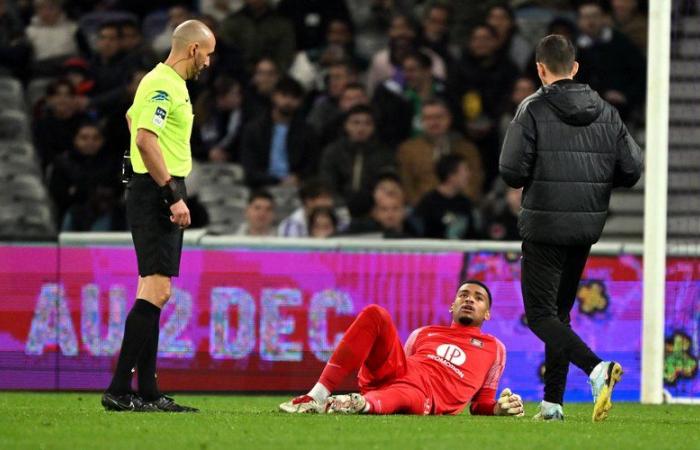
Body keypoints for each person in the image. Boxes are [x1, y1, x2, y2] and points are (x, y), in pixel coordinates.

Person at [499, 35, 642, 422]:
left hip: (545, 225)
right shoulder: (607, 112)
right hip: (584, 226)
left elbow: (511, 171)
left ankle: (596, 369)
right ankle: (552, 404)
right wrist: (590, 181)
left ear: (540, 69)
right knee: (558, 316)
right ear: (575, 68)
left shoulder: (531, 108)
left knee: (541, 315)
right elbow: (631, 170)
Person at [101, 19, 217, 413]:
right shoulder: (165, 83)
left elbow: (134, 119)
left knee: (151, 290)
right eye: (208, 52)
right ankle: (119, 389)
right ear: (193, 50)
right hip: (157, 191)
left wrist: (137, 169)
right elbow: (145, 137)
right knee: (158, 290)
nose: (209, 61)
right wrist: (170, 193)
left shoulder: (162, 82)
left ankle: (146, 392)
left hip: (151, 185)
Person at [279, 281, 525, 417]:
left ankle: (360, 404)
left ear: (488, 313)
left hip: (426, 396)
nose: (469, 299)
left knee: (405, 393)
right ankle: (317, 396)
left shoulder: (495, 348)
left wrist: (498, 409)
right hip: (400, 375)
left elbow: (480, 405)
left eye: (478, 297)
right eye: (463, 295)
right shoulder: (423, 333)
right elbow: (403, 367)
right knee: (375, 313)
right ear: (452, 305)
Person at [398, 99, 483, 206]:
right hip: (422, 210)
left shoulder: (467, 149)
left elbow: (475, 182)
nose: (434, 122)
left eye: (439, 117)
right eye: (428, 118)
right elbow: (406, 185)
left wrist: (461, 204)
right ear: (421, 121)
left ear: (449, 118)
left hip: (460, 207)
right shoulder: (408, 150)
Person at [239, 77, 319, 188]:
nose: (288, 101)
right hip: (261, 186)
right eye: (284, 95)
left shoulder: (307, 131)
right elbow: (249, 167)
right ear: (274, 96)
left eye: (294, 97)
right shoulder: (254, 129)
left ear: (300, 101)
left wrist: (298, 177)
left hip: (296, 186)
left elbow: (311, 165)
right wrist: (275, 181)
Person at [320, 104, 395, 205]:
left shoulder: (384, 154)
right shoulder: (333, 152)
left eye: (367, 123)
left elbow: (387, 186)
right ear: (346, 125)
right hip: (339, 207)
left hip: (374, 207)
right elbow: (328, 185)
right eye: (355, 123)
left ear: (374, 127)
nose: (361, 128)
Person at [412, 154, 479, 240]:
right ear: (451, 175)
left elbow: (473, 235)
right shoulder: (429, 202)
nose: (469, 175)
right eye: (465, 170)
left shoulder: (465, 203)